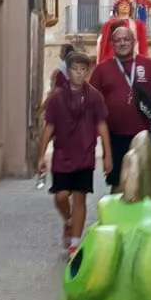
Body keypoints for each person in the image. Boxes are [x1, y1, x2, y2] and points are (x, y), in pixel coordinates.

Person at [39, 52, 111, 255]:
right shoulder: (56, 98)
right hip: (62, 154)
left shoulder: (95, 97)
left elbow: (102, 126)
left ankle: (75, 244)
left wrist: (107, 155)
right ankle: (69, 220)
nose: (79, 73)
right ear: (68, 71)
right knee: (60, 196)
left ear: (88, 72)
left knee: (80, 198)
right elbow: (49, 127)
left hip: (85, 155)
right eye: (75, 69)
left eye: (83, 69)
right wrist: (41, 155)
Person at [89, 21, 151, 188]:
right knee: (117, 182)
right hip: (114, 136)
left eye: (126, 39)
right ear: (112, 44)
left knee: (144, 181)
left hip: (144, 135)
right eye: (118, 40)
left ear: (134, 42)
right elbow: (91, 102)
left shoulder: (147, 64)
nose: (122, 43)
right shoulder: (102, 69)